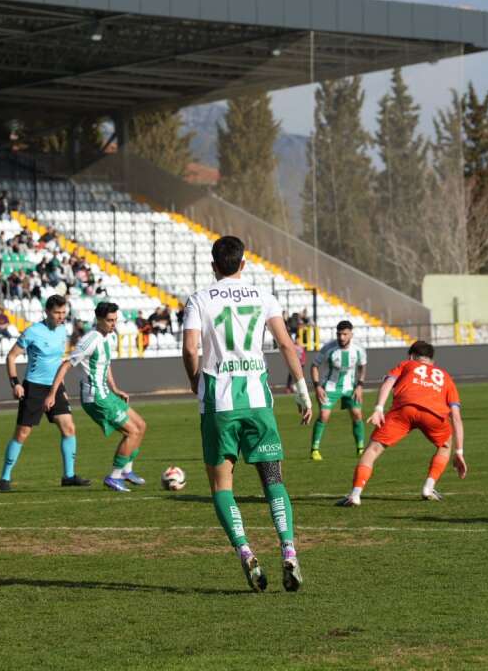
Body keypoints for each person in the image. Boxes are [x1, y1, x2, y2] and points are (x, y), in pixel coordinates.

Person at [181, 236, 313, 592]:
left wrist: (197, 382)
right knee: (273, 478)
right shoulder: (262, 296)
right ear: (243, 263)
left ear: (213, 265)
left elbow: (191, 348)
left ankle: (245, 550)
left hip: (220, 403)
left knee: (222, 485)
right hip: (258, 402)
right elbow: (286, 344)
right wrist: (303, 392)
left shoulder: (199, 299)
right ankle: (288, 549)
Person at [337, 340, 467, 507]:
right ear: (432, 361)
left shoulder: (406, 364)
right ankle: (428, 488)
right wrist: (459, 451)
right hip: (433, 415)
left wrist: (378, 408)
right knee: (445, 446)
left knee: (373, 449)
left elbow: (388, 383)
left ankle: (355, 494)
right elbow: (456, 416)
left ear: (411, 356)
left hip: (403, 409)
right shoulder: (445, 376)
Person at [44, 301, 147, 493]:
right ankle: (114, 477)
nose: (113, 324)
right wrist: (52, 394)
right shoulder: (90, 340)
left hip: (106, 393)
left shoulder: (108, 337)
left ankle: (126, 471)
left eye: (115, 320)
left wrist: (115, 388)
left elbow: (104, 365)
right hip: (96, 397)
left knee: (141, 426)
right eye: (109, 320)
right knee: (131, 432)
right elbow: (66, 365)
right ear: (99, 320)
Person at [0, 294, 89, 491]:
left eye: (64, 312)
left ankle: (69, 476)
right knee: (22, 434)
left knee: (69, 428)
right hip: (34, 388)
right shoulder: (33, 332)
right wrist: (15, 383)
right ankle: (4, 478)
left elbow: (57, 362)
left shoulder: (63, 330)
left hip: (54, 388)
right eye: (57, 312)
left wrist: (61, 388)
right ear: (47, 312)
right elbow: (11, 356)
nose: (61, 316)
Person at [309, 320, 368, 460]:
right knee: (324, 415)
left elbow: (362, 366)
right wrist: (317, 386)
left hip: (350, 387)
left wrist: (360, 385)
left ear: (351, 334)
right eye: (339, 334)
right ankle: (314, 450)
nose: (341, 337)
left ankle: (360, 448)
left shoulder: (359, 349)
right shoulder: (328, 348)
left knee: (357, 414)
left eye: (345, 334)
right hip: (329, 387)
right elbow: (314, 366)